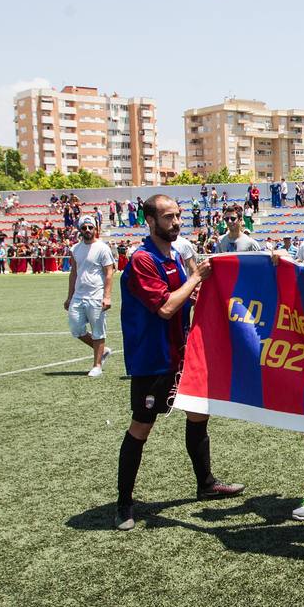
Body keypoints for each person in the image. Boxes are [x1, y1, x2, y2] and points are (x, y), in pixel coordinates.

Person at [115, 196, 245, 532]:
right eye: (168, 217)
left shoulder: (172, 255)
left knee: (199, 412)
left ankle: (206, 483)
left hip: (179, 353)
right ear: (149, 221)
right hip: (153, 358)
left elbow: (183, 299)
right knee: (142, 426)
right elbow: (166, 308)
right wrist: (198, 278)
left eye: (178, 216)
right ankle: (125, 503)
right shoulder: (143, 260)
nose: (176, 222)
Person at [65, 217, 116, 378]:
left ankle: (97, 365)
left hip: (96, 295)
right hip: (79, 296)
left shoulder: (102, 248)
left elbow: (109, 273)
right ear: (80, 229)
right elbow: (73, 273)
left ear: (95, 228)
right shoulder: (75, 249)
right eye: (84, 227)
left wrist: (107, 297)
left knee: (98, 331)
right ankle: (104, 351)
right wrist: (69, 296)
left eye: (90, 227)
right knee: (76, 329)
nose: (87, 230)